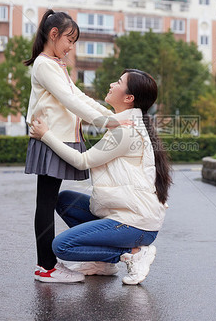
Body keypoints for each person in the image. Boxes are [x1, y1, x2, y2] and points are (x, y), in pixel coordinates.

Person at [29, 69, 172, 285]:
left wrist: (46, 135)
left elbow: (82, 161)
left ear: (129, 98)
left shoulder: (125, 132)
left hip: (135, 224)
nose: (112, 84)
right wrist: (65, 85)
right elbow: (89, 107)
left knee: (62, 246)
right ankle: (101, 263)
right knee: (66, 201)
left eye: (118, 82)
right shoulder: (124, 123)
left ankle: (130, 253)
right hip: (127, 214)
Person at [24, 10, 115, 283]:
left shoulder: (55, 64)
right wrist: (108, 123)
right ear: (54, 35)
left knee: (47, 200)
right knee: (46, 202)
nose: (71, 47)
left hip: (57, 137)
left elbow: (79, 96)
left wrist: (112, 118)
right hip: (51, 139)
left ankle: (47, 265)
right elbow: (69, 100)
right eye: (69, 40)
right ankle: (47, 267)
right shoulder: (44, 65)